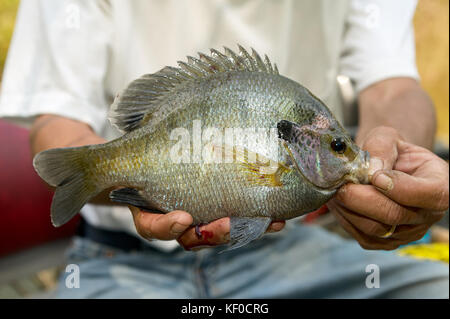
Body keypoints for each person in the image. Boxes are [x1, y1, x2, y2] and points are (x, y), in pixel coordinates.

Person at [0, 0, 448, 298]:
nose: (345, 155)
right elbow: (56, 120)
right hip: (120, 260)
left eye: (337, 147)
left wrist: (390, 155)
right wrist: (115, 175)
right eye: (337, 147)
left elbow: (392, 85)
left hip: (290, 254)